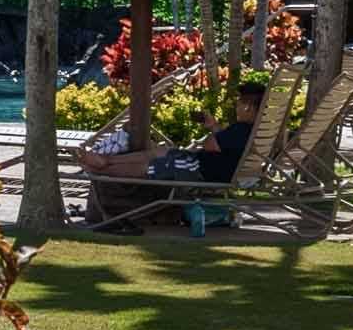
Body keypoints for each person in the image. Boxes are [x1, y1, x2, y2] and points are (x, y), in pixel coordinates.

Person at [78, 78, 266, 230]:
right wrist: (214, 127)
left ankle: (104, 170)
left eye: (239, 103)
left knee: (150, 167)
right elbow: (223, 145)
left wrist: (216, 133)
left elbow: (210, 146)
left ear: (248, 107)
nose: (236, 107)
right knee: (161, 151)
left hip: (201, 169)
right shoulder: (255, 132)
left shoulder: (242, 129)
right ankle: (107, 160)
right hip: (204, 166)